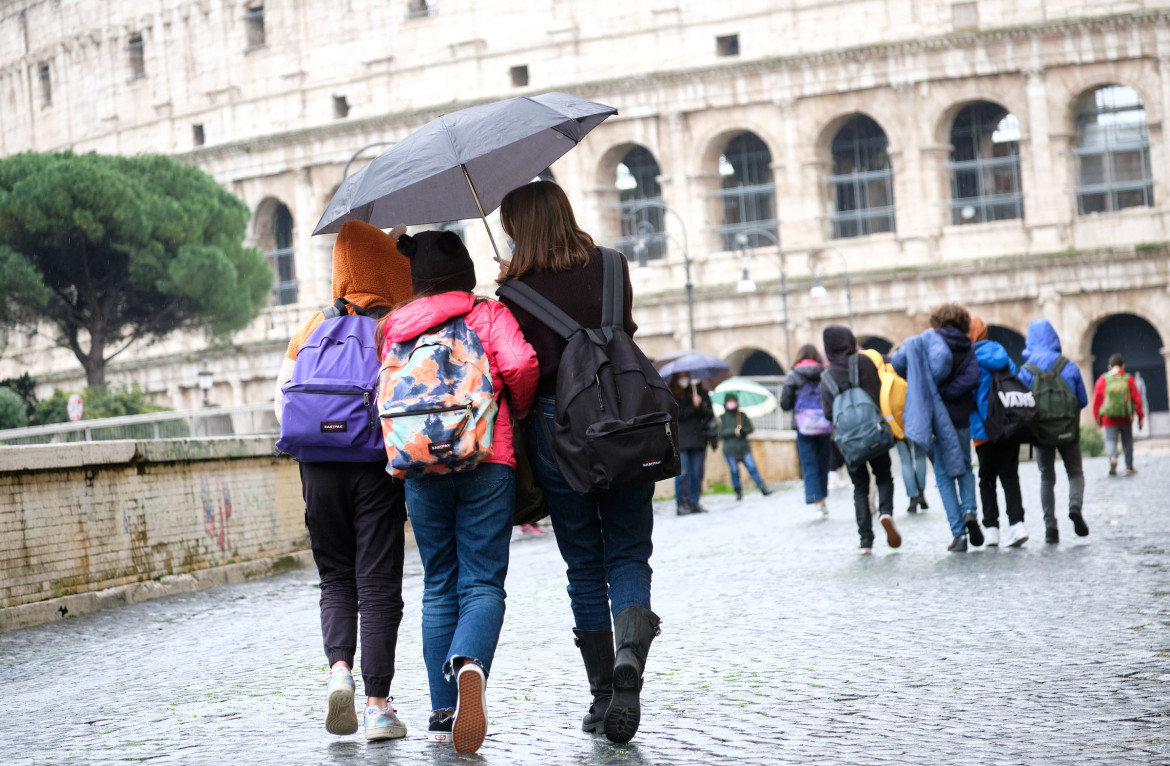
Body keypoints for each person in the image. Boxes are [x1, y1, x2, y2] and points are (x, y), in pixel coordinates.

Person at [497, 180, 661, 745]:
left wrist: (515, 291)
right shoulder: (614, 266)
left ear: (519, 228)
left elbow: (524, 367)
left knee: (583, 563)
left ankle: (600, 696)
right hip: (626, 424)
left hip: (556, 429)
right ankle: (630, 657)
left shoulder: (515, 293)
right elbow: (621, 337)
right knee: (629, 548)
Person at [379, 230, 539, 753]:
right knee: (483, 582)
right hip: (487, 457)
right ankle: (471, 663)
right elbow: (519, 365)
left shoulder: (394, 328)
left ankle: (442, 706)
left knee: (439, 582)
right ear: (465, 271)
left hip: (419, 464)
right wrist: (509, 406)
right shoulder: (487, 314)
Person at [273, 221, 413, 741]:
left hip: (318, 468)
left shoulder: (313, 325)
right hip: (374, 466)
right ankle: (378, 706)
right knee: (377, 584)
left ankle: (339, 673)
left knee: (335, 578)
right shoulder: (396, 325)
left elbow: (283, 398)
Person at [892, 304, 980, 553]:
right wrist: (950, 393)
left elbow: (897, 364)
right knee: (964, 466)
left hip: (934, 418)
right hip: (961, 416)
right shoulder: (966, 346)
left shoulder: (923, 343)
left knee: (943, 475)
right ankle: (970, 510)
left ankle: (958, 534)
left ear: (936, 322)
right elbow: (972, 378)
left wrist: (935, 391)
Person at [819, 325, 900, 554]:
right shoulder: (864, 362)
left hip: (848, 441)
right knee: (883, 475)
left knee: (860, 487)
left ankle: (866, 541)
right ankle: (885, 512)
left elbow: (827, 413)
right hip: (874, 431)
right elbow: (879, 392)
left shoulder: (826, 377)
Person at [1016, 318, 1090, 544]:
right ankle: (1075, 507)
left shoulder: (1026, 371)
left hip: (1041, 434)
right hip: (1068, 431)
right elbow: (1083, 400)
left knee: (1047, 477)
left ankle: (1051, 527)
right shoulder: (1068, 365)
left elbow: (1022, 404)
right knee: (1075, 472)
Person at [968, 316, 1029, 547]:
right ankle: (1017, 524)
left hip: (983, 430)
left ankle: (991, 528)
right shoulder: (1002, 355)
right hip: (1008, 426)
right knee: (1010, 476)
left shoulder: (970, 360)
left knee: (986, 479)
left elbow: (968, 395)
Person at [779, 344, 831, 515]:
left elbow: (785, 403)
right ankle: (823, 497)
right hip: (824, 423)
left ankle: (817, 502)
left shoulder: (793, 375)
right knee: (823, 463)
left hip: (804, 427)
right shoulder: (825, 373)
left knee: (809, 464)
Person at [1092, 352, 1145, 476]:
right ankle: (1129, 466)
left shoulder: (1103, 380)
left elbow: (1096, 402)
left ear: (1109, 367)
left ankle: (1113, 458)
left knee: (1110, 440)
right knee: (1127, 442)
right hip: (1125, 417)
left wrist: (1098, 420)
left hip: (1108, 418)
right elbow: (1136, 399)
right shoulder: (1128, 379)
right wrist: (1140, 416)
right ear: (1123, 365)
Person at [671, 374, 715, 515]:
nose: (684, 380)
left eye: (686, 376)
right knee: (682, 473)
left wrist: (700, 404)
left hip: (697, 438)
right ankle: (681, 503)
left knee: (696, 472)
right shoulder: (672, 395)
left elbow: (706, 415)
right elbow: (678, 415)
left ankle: (694, 501)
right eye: (682, 376)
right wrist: (694, 407)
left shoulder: (697, 392)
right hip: (682, 439)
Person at [717, 393, 772, 501]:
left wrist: (742, 431)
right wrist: (733, 431)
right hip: (729, 449)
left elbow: (751, 429)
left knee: (752, 467)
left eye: (733, 401)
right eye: (730, 401)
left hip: (743, 447)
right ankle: (738, 493)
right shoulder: (722, 417)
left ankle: (763, 488)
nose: (732, 403)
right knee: (734, 470)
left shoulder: (741, 415)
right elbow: (720, 432)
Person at [896, 440, 929, 515]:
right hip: (918, 429)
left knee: (905, 460)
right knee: (920, 456)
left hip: (899, 429)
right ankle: (920, 494)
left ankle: (913, 498)